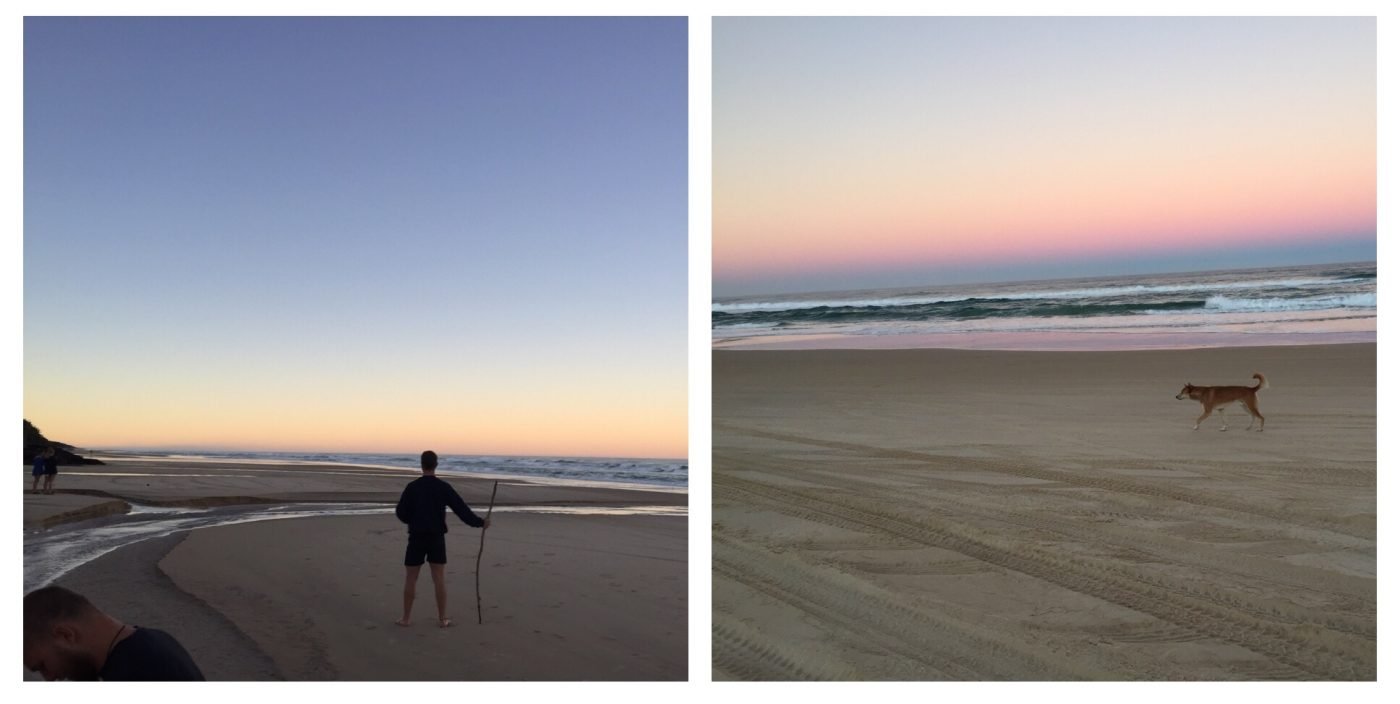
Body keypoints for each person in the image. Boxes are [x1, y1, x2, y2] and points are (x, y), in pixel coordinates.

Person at [23, 585, 205, 681]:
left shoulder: (138, 672)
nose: (49, 678)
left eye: (42, 666)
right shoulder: (151, 640)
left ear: (66, 635)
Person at [394, 450, 490, 628]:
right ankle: (442, 618)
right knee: (438, 578)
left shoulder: (412, 487)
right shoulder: (443, 487)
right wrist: (480, 523)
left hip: (416, 537)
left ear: (421, 465)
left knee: (411, 578)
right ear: (436, 464)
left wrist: (412, 520)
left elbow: (400, 512)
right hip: (436, 538)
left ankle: (406, 618)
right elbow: (461, 510)